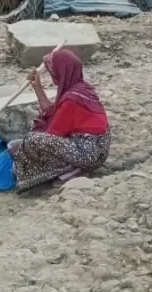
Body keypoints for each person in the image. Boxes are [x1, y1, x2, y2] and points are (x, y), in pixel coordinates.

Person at [9, 48, 110, 193]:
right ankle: (70, 168)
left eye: (54, 70)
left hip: (88, 153)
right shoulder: (81, 88)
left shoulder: (72, 99)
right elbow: (53, 113)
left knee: (34, 140)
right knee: (33, 137)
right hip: (96, 149)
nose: (52, 75)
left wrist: (25, 146)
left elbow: (53, 133)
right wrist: (37, 87)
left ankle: (72, 170)